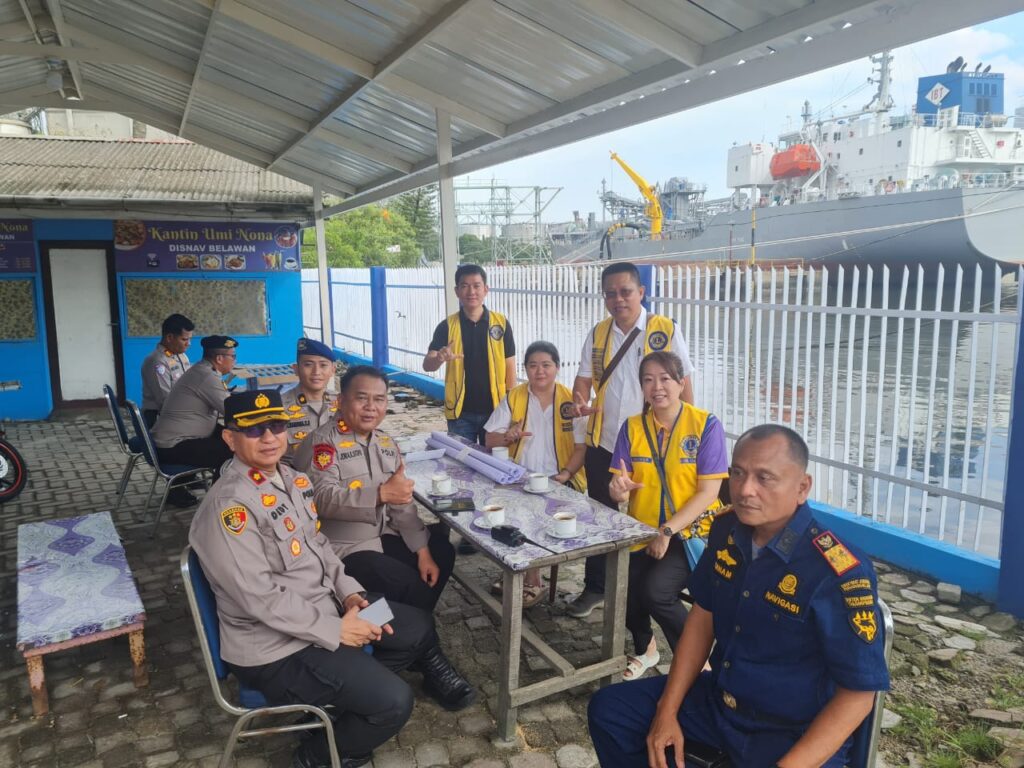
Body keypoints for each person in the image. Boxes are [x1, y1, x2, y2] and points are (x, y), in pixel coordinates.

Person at [190, 390, 477, 768]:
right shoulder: (230, 507)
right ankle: (316, 757)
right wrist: (337, 630)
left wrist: (351, 596)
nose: (269, 437)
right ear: (230, 438)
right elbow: (258, 597)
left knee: (416, 626)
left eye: (276, 425)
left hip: (329, 611)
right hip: (278, 647)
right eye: (254, 430)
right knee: (394, 703)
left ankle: (341, 704)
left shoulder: (292, 480)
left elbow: (320, 547)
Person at [588, 425, 890, 768]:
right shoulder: (726, 530)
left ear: (802, 487)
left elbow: (858, 694)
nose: (745, 490)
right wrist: (666, 711)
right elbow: (702, 619)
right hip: (721, 704)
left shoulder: (837, 570)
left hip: (792, 730)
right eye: (738, 473)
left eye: (765, 478)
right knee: (610, 712)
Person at [567, 261, 695, 618]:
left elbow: (684, 382)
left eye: (625, 292)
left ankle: (651, 589)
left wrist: (688, 432)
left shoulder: (664, 330)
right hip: (605, 441)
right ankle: (596, 587)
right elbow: (583, 379)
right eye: (610, 293)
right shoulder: (598, 333)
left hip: (652, 443)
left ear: (641, 292)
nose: (618, 299)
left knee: (650, 511)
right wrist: (579, 400)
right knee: (599, 515)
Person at [294, 365, 459, 617]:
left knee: (441, 552)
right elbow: (319, 498)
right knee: (403, 583)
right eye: (362, 398)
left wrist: (422, 551)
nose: (371, 407)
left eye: (379, 399)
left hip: (382, 534)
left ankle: (404, 622)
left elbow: (401, 502)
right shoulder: (322, 444)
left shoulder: (385, 442)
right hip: (343, 548)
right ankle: (392, 626)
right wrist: (379, 495)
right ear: (341, 401)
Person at [607, 351, 727, 680]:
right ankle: (646, 649)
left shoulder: (705, 425)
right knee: (620, 585)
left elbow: (709, 492)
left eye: (665, 379)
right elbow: (620, 487)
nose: (657, 387)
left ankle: (697, 661)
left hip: (692, 533)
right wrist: (619, 491)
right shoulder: (632, 427)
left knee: (656, 592)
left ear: (681, 383)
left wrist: (667, 531)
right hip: (643, 530)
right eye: (648, 380)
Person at [483, 340, 587, 607]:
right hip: (519, 476)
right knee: (504, 508)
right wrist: (509, 436)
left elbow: (581, 448)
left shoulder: (570, 401)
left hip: (561, 478)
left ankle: (532, 579)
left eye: (546, 365)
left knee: (535, 511)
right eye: (533, 365)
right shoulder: (515, 397)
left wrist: (565, 475)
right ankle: (518, 569)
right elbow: (489, 440)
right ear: (525, 369)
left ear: (558, 367)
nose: (540, 371)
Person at [422, 264, 516, 445]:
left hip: (496, 411)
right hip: (460, 414)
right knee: (462, 460)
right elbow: (427, 365)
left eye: (476, 286)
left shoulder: (501, 324)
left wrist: (512, 405)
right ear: (457, 291)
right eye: (464, 286)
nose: (471, 291)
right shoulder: (447, 326)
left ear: (486, 289)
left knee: (495, 458)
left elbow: (510, 365)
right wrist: (439, 358)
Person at [151, 335, 237, 483]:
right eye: (233, 356)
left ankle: (182, 486)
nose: (235, 360)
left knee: (232, 438)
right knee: (236, 450)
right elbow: (232, 410)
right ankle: (219, 494)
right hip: (173, 445)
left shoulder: (201, 370)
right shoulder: (207, 376)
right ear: (219, 359)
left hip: (171, 440)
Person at [280, 337, 338, 466]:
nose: (316, 372)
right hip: (296, 475)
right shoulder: (279, 407)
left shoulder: (343, 403)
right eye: (308, 364)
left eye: (323, 365)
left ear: (333, 370)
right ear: (296, 369)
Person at [140, 313, 194, 428]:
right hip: (160, 419)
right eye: (184, 339)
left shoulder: (181, 356)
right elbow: (165, 401)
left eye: (190, 339)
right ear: (169, 337)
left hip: (180, 412)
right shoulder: (158, 361)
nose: (189, 344)